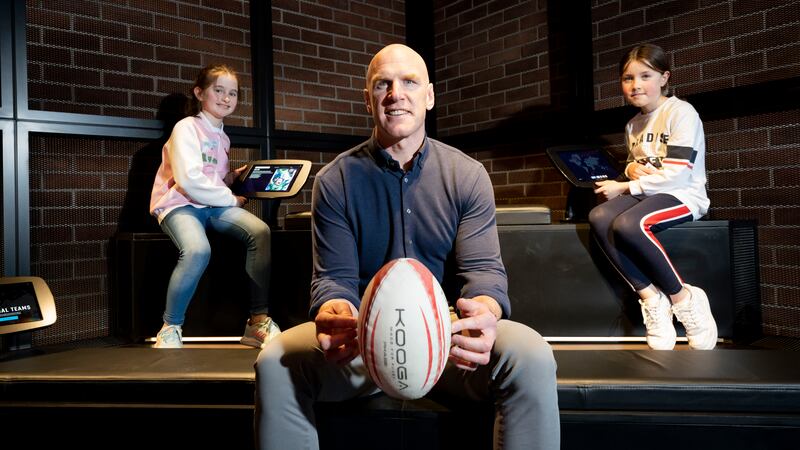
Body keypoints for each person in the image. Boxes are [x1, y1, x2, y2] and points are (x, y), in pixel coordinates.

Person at [254, 44, 559, 450]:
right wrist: (334, 311)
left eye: (409, 82)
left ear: (429, 96)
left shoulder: (467, 175)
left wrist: (484, 312)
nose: (396, 93)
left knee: (532, 355)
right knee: (275, 360)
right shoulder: (335, 181)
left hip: (448, 342)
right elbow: (333, 280)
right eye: (383, 84)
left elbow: (484, 274)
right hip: (363, 341)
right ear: (369, 99)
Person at [589, 43, 718, 350]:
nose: (636, 85)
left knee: (629, 225)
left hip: (683, 195)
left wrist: (624, 186)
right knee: (600, 216)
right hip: (652, 194)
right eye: (628, 78)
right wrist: (631, 169)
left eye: (645, 76)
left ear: (664, 78)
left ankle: (684, 299)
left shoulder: (681, 112)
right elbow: (644, 166)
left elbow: (676, 174)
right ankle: (651, 297)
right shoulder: (633, 124)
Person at [149, 64, 280, 349]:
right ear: (199, 93)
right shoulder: (186, 128)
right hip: (180, 205)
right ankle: (170, 327)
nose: (225, 98)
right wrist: (232, 199)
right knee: (197, 249)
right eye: (218, 90)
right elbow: (188, 180)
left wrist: (233, 177)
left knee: (260, 231)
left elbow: (212, 177)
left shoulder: (222, 136)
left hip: (211, 206)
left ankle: (257, 323)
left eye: (232, 93)